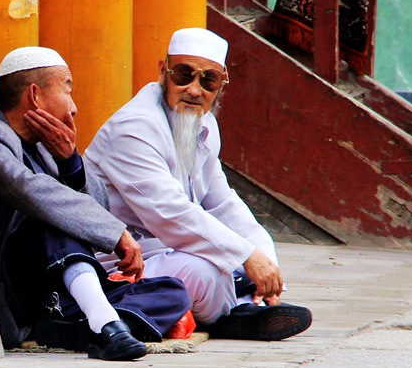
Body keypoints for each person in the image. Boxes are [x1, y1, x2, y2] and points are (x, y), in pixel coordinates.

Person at [84, 28, 312, 341]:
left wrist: (265, 259)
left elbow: (223, 204)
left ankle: (245, 304)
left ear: (221, 84)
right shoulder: (134, 128)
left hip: (172, 252)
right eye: (184, 75)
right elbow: (170, 215)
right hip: (121, 266)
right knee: (209, 274)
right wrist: (246, 258)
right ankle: (234, 312)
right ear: (163, 72)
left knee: (236, 260)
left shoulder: (204, 124)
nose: (194, 90)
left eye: (207, 81)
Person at [0, 46, 192, 361]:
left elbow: (97, 208)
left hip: (63, 291)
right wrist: (116, 233)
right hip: (18, 292)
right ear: (35, 95)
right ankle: (107, 325)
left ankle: (81, 326)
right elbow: (34, 191)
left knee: (173, 293)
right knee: (50, 217)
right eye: (67, 89)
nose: (74, 107)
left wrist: (70, 163)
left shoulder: (47, 145)